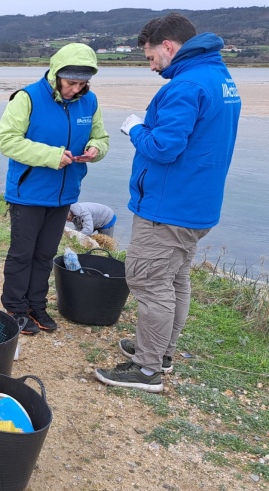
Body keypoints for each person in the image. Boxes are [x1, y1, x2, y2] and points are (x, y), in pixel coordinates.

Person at [96, 13, 241, 393]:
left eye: (150, 57)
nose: (151, 66)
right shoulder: (220, 79)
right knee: (175, 280)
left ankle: (146, 370)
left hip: (168, 206)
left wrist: (136, 128)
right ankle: (160, 352)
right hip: (198, 203)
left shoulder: (186, 84)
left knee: (148, 280)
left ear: (169, 47)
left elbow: (163, 148)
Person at [0, 43, 110, 335]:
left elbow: (101, 136)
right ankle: (15, 308)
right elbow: (7, 140)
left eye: (82, 83)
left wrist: (96, 149)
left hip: (65, 193)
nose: (76, 89)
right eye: (71, 83)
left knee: (45, 254)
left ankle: (37, 306)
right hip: (28, 192)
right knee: (23, 253)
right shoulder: (27, 98)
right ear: (56, 75)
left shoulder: (90, 100)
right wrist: (51, 156)